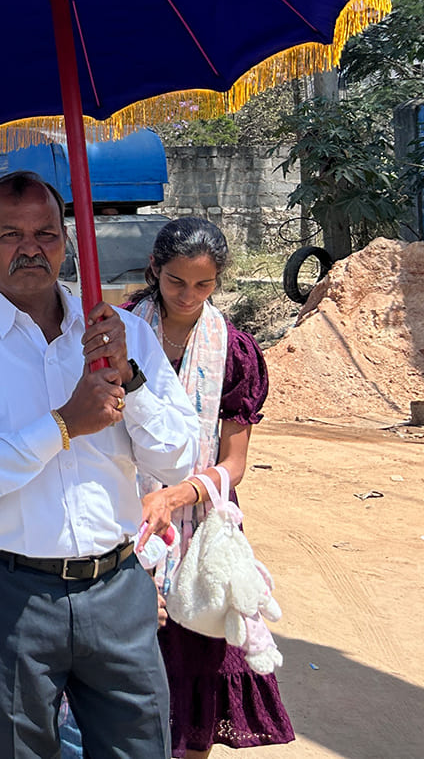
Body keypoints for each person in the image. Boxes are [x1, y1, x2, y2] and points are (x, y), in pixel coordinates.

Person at [0, 171, 198, 759]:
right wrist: (64, 425)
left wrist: (132, 380)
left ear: (66, 241)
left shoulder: (123, 335)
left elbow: (178, 460)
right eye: (10, 234)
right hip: (5, 592)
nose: (29, 248)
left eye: (45, 233)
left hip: (116, 588)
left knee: (141, 748)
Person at [126, 218, 295, 758]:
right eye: (177, 282)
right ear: (156, 270)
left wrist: (176, 496)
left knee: (196, 671)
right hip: (123, 522)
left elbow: (234, 464)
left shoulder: (235, 351)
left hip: (200, 532)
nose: (188, 296)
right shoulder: (122, 331)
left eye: (203, 286)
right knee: (124, 685)